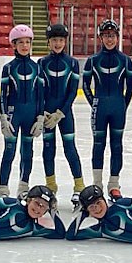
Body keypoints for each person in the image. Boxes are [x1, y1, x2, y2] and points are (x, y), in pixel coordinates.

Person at [82, 19, 132, 201]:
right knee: (98, 145)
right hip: (100, 108)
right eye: (106, 36)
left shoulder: (125, 61)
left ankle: (114, 183)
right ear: (100, 38)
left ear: (118, 37)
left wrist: (123, 104)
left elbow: (130, 88)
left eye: (112, 36)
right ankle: (97, 184)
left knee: (117, 146)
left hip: (118, 108)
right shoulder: (93, 60)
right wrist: (95, 102)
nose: (109, 39)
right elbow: (86, 86)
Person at [38, 24, 86, 208]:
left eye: (61, 40)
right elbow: (40, 90)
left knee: (70, 149)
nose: (58, 43)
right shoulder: (42, 63)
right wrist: (43, 112)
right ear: (48, 42)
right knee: (48, 150)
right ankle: (51, 186)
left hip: (65, 115)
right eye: (54, 40)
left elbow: (73, 91)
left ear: (65, 41)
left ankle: (79, 185)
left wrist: (61, 112)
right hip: (48, 114)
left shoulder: (72, 63)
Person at [0, 24, 45, 199]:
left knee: (27, 151)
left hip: (31, 116)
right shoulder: (8, 68)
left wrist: (40, 118)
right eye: (20, 42)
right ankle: (3, 187)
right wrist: (3, 118)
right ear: (13, 45)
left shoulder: (37, 67)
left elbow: (41, 96)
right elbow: (3, 94)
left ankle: (23, 186)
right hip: (13, 115)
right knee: (9, 151)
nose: (25, 46)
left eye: (27, 42)